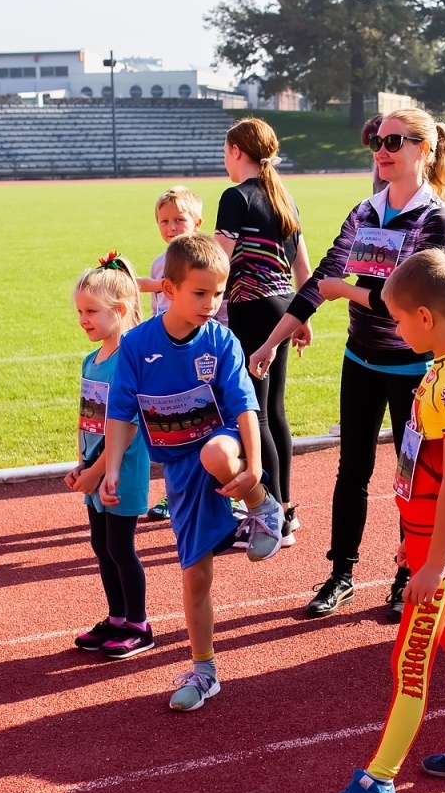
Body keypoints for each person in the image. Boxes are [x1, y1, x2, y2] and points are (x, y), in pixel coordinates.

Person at [306, 250, 445, 793]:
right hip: (425, 540)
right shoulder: (440, 368)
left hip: (439, 546)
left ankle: (379, 784)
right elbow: (424, 470)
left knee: (409, 659)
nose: (394, 329)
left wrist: (434, 560)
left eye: (397, 319)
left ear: (425, 315)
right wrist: (413, 540)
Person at [248, 108, 445, 622]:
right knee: (353, 472)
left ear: (423, 149)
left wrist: (345, 290)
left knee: (414, 476)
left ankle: (407, 574)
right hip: (360, 362)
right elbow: (320, 277)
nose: (381, 150)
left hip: (414, 369)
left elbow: (409, 300)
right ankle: (341, 573)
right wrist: (271, 342)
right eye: (376, 141)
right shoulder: (363, 212)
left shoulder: (436, 220)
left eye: (393, 140)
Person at [101, 234, 285, 711]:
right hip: (177, 470)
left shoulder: (222, 341)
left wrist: (256, 471)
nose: (211, 303)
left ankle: (263, 509)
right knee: (195, 578)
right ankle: (204, 670)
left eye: (218, 293)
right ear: (168, 289)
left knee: (217, 455)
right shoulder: (138, 346)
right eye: (199, 293)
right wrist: (112, 469)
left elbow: (245, 406)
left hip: (218, 445)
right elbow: (120, 412)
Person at [215, 118, 313, 545]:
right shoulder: (284, 199)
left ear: (237, 151)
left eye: (226, 150)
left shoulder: (235, 197)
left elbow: (217, 262)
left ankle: (271, 512)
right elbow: (304, 271)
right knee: (274, 409)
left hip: (250, 307)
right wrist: (302, 318)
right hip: (283, 308)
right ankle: (285, 510)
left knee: (253, 412)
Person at [65, 253, 154, 658]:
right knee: (101, 546)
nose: (83, 319)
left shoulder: (129, 360)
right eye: (80, 311)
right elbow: (87, 417)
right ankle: (116, 617)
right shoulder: (91, 358)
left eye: (91, 312)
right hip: (94, 469)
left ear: (119, 310)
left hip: (121, 470)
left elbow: (129, 425)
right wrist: (81, 465)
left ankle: (139, 623)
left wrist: (100, 471)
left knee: (121, 548)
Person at [138, 186, 205, 522]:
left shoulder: (201, 256)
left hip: (197, 356)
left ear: (197, 222)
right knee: (169, 424)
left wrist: (145, 284)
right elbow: (156, 311)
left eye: (179, 219)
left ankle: (222, 491)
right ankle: (173, 492)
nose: (171, 227)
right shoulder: (158, 262)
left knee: (203, 423)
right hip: (165, 355)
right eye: (164, 221)